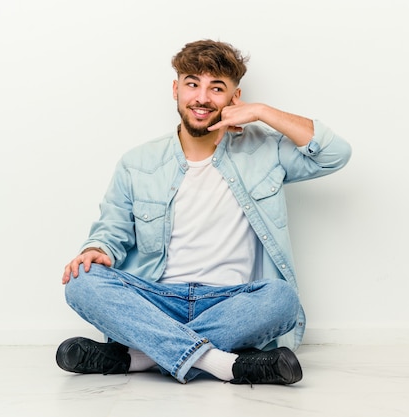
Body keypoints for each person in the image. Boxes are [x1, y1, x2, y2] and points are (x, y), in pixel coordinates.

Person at [55, 39, 352, 385]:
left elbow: (335, 154)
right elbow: (111, 231)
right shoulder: (138, 162)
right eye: (192, 83)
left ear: (234, 98)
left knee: (282, 298)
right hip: (158, 300)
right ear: (175, 89)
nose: (201, 97)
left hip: (231, 302)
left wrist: (263, 113)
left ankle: (141, 357)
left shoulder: (264, 150)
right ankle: (226, 365)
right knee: (82, 281)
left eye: (217, 88)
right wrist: (97, 251)